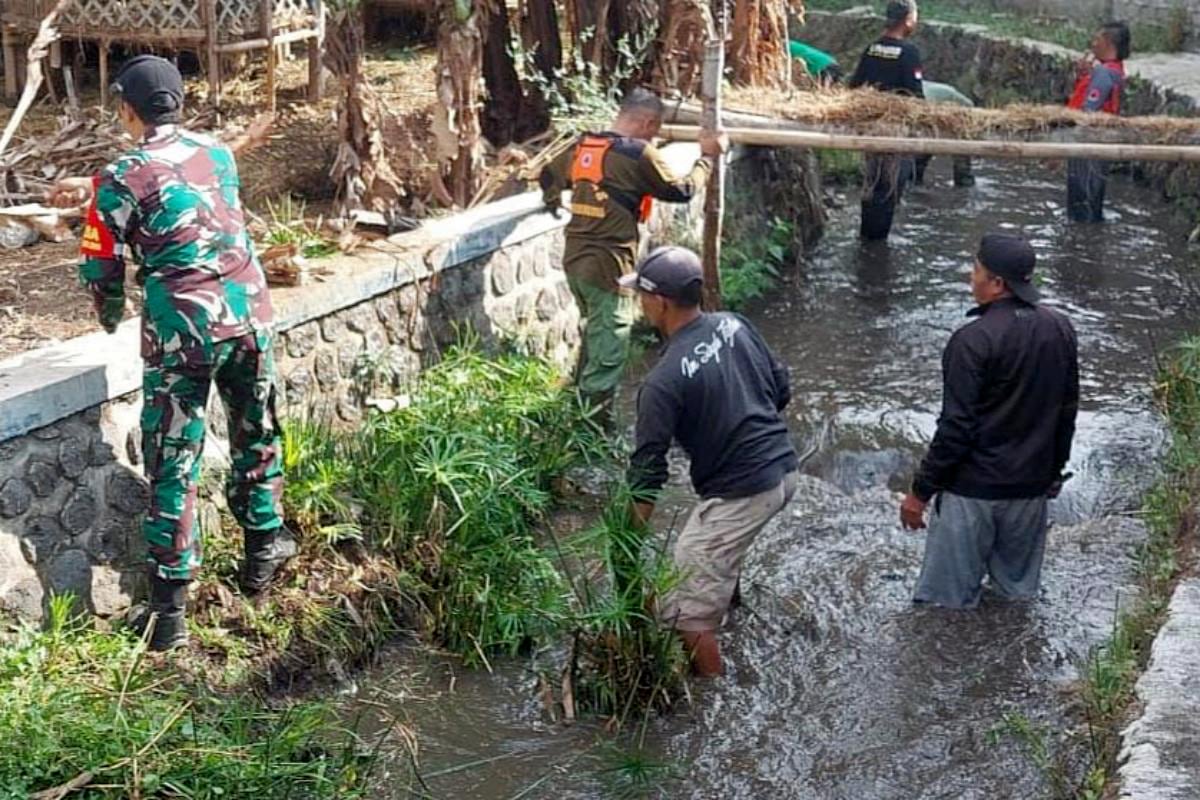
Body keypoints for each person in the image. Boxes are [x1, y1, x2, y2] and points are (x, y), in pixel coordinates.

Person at [48, 56, 294, 650]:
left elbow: (100, 263)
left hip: (184, 329)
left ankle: (170, 615)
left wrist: (109, 314)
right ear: (178, 102)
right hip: (251, 315)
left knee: (174, 459)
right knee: (255, 430)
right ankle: (263, 553)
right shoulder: (218, 154)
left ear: (126, 108)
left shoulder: (121, 174)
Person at [624, 246, 799, 677]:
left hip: (743, 492)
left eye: (641, 296)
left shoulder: (661, 383)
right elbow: (780, 388)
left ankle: (714, 703)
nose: (640, 304)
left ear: (659, 301)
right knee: (711, 555)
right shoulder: (734, 324)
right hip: (785, 470)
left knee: (683, 612)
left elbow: (647, 473)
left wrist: (625, 547)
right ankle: (728, 604)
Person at [900, 234, 1079, 609]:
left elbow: (955, 429)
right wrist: (1052, 473)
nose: (971, 277)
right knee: (1017, 603)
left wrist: (920, 492)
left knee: (942, 611)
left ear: (997, 284)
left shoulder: (972, 341)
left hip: (972, 493)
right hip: (1030, 491)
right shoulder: (1060, 328)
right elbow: (1067, 411)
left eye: (976, 270)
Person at [539, 89, 724, 426]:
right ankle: (590, 433)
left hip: (575, 261)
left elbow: (548, 175)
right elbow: (680, 190)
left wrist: (554, 201)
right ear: (646, 122)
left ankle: (570, 408)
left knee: (596, 333)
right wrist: (707, 159)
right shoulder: (638, 154)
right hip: (610, 266)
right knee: (610, 351)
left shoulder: (584, 146)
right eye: (654, 129)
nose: (654, 136)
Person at [848, 0, 925, 241]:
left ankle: (865, 239)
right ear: (908, 20)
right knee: (889, 188)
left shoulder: (871, 48)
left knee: (871, 184)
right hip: (896, 132)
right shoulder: (909, 53)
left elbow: (855, 86)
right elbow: (915, 95)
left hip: (870, 130)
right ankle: (877, 246)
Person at [1066, 22, 1130, 222]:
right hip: (1097, 141)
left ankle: (1082, 241)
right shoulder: (1112, 71)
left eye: (1097, 40)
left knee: (1083, 198)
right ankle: (1089, 239)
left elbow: (1089, 111)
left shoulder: (1104, 73)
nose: (1092, 44)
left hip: (1089, 142)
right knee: (1091, 196)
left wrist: (1065, 141)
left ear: (1109, 43)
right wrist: (1084, 75)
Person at [915, 80, 975, 187]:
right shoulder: (917, 87)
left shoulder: (941, 92)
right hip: (930, 121)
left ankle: (965, 187)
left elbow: (970, 105)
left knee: (961, 162)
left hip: (956, 122)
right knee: (920, 157)